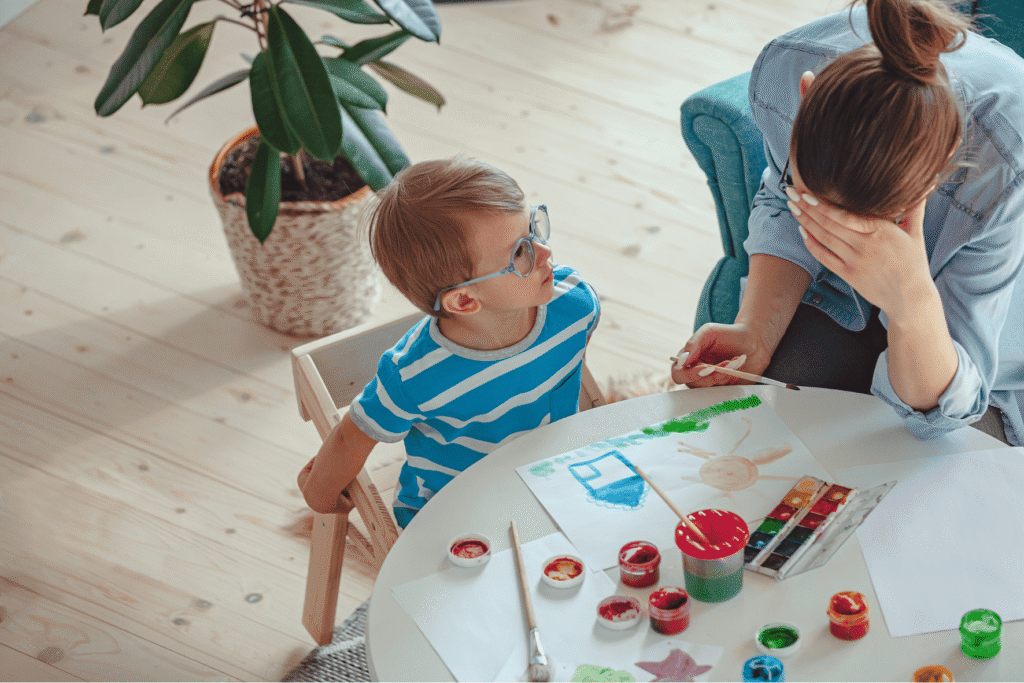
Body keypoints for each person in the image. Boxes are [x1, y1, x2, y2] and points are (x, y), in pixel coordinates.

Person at [672, 0, 1024, 447]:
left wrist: (911, 297)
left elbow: (944, 407)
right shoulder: (786, 65)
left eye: (865, 230)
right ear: (806, 96)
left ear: (945, 164)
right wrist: (756, 332)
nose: (842, 246)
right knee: (756, 439)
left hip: (986, 345)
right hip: (844, 308)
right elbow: (781, 199)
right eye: (818, 215)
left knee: (925, 466)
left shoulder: (1006, 164)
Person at [297, 158, 601, 526]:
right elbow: (351, 438)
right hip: (451, 517)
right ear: (463, 301)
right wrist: (320, 495)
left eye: (534, 227)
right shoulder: (412, 375)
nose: (545, 252)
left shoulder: (574, 304)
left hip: (551, 479)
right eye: (521, 252)